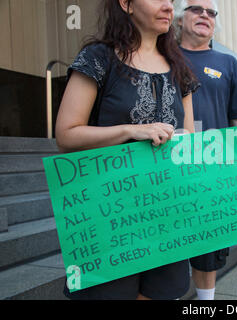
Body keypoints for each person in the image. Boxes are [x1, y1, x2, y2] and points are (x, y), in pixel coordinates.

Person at [55, 0, 198, 300]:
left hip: (165, 213)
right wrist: (132, 131)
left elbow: (188, 139)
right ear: (126, 4)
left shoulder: (180, 68)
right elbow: (66, 134)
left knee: (161, 293)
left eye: (172, 0)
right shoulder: (98, 58)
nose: (168, 6)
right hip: (110, 214)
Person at [174, 0, 237, 300]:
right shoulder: (162, 57)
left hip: (213, 171)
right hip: (167, 170)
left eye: (211, 12)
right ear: (179, 18)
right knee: (169, 251)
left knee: (208, 251)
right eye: (196, 9)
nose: (205, 15)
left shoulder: (228, 64)